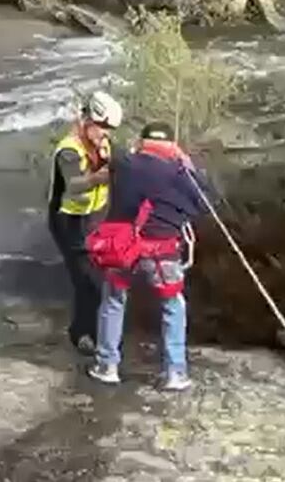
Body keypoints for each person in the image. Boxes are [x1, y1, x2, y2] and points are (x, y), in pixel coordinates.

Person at [88, 121, 215, 391]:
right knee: (172, 306)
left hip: (122, 249)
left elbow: (111, 156)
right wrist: (185, 162)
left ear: (142, 142)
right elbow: (206, 203)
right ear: (170, 145)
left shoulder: (123, 163)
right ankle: (175, 372)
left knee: (113, 301)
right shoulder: (179, 172)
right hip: (162, 251)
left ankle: (107, 366)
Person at [48, 90, 122, 355]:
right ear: (90, 121)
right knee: (88, 281)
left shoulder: (101, 143)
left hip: (94, 219)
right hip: (69, 222)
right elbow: (75, 185)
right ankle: (82, 335)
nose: (107, 135)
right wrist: (102, 177)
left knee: (99, 278)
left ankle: (94, 330)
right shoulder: (69, 150)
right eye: (103, 128)